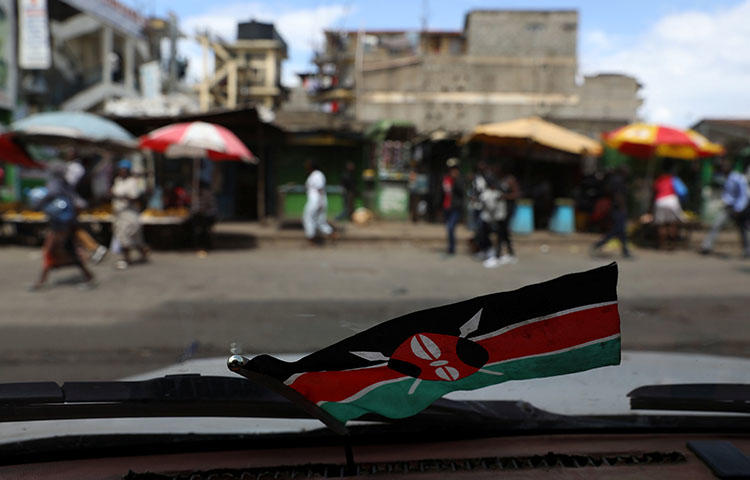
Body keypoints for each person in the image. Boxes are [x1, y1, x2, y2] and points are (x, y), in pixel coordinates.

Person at [31, 164, 95, 289]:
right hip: (66, 223)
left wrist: (38, 204)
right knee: (65, 250)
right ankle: (88, 276)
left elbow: (50, 195)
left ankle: (42, 281)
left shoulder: (55, 184)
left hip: (59, 225)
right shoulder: (65, 184)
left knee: (52, 250)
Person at [111, 159, 149, 269]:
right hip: (119, 213)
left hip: (129, 213)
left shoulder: (132, 182)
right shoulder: (118, 181)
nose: (122, 171)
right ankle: (130, 257)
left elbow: (135, 197)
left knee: (131, 235)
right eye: (121, 169)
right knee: (124, 236)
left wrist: (121, 196)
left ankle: (128, 258)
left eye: (124, 170)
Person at [482, 164, 520, 267]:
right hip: (502, 210)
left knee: (500, 233)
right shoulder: (500, 180)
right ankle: (511, 254)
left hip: (508, 210)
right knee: (505, 233)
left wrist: (504, 196)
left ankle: (497, 256)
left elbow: (517, 194)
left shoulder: (510, 179)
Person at [591, 165, 632, 258]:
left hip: (616, 208)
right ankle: (599, 244)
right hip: (618, 209)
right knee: (618, 230)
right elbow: (618, 195)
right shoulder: (618, 181)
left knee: (621, 231)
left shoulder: (615, 180)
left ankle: (625, 251)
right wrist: (622, 207)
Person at [714, 159, 749, 258]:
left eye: (725, 167)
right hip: (728, 207)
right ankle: (706, 246)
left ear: (730, 168)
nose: (723, 169)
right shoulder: (726, 178)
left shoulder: (738, 178)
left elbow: (743, 195)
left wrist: (739, 208)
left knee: (743, 230)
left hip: (740, 208)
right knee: (717, 225)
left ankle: (747, 250)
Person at [652, 161, 686, 249]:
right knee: (673, 224)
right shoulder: (674, 179)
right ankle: (672, 245)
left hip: (659, 201)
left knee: (661, 225)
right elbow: (683, 192)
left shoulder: (659, 179)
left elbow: (655, 191)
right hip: (671, 201)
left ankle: (661, 244)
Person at [303, 159, 334, 244]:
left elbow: (320, 189)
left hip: (316, 200)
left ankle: (311, 238)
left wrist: (320, 202)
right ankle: (331, 234)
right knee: (320, 221)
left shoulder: (317, 174)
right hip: (318, 200)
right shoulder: (314, 175)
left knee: (308, 217)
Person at [441, 158, 464, 255]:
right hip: (446, 206)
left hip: (456, 207)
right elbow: (442, 193)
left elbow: (461, 192)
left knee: (451, 227)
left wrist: (456, 179)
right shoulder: (445, 178)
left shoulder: (460, 179)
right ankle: (450, 247)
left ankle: (452, 248)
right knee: (448, 228)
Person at [192, 180, 218, 253]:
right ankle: (199, 246)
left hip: (209, 216)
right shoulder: (196, 195)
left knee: (205, 230)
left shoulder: (208, 194)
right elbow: (195, 207)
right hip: (200, 216)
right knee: (198, 230)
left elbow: (211, 207)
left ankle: (207, 245)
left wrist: (203, 210)